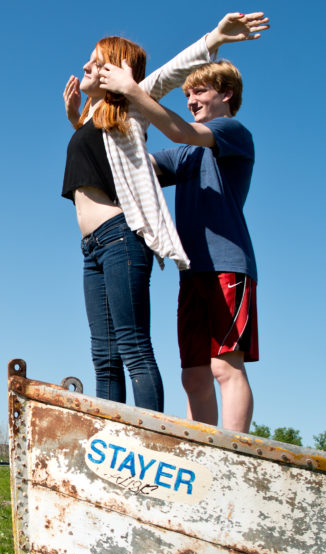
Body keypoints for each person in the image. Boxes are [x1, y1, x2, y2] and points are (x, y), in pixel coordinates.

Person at [61, 12, 269, 412]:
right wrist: (78, 123)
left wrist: (216, 38)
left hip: (201, 255)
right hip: (161, 260)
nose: (86, 66)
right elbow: (130, 163)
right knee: (173, 370)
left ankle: (197, 449)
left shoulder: (220, 130)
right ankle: (168, 445)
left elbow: (173, 86)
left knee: (208, 364)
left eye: (96, 61)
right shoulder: (123, 129)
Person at [101, 54, 264, 432]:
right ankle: (200, 453)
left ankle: (234, 457)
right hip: (191, 271)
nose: (190, 100)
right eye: (186, 94)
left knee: (225, 366)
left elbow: (182, 132)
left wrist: (132, 90)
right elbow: (134, 165)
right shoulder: (184, 155)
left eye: (199, 91)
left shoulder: (231, 132)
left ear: (225, 93)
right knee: (193, 375)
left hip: (228, 265)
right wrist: (99, 119)